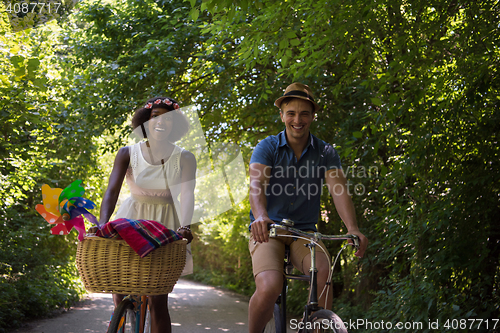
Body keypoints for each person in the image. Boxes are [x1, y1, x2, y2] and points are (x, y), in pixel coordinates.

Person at [248, 82, 368, 332]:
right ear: (282, 115)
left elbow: (339, 190)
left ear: (313, 116)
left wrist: (353, 228)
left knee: (323, 273)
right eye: (291, 113)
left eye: (304, 113)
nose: (297, 120)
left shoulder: (325, 152)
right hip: (268, 230)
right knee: (270, 286)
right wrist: (260, 216)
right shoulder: (268, 147)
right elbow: (257, 184)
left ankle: (318, 329)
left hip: (304, 232)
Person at [99, 97, 197, 333]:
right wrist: (103, 224)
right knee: (119, 284)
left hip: (164, 224)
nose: (161, 122)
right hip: (131, 218)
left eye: (168, 118)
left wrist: (185, 225)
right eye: (155, 117)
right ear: (146, 121)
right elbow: (112, 191)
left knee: (158, 300)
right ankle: (120, 317)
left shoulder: (185, 157)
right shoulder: (127, 153)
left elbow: (187, 195)